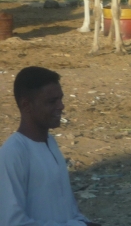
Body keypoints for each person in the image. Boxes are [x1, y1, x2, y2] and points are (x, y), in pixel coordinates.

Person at [0, 66, 99, 226]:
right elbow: (12, 222)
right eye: (52, 101)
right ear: (26, 105)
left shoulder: (50, 142)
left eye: (60, 99)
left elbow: (65, 207)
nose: (61, 106)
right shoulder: (13, 153)